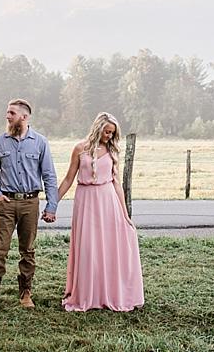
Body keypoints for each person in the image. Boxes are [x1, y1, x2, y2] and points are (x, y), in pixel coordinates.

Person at [57, 112, 144, 311]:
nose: (109, 136)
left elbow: (117, 184)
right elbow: (69, 179)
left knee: (108, 247)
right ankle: (88, 293)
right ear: (98, 128)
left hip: (108, 201)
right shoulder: (80, 149)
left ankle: (111, 292)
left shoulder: (112, 151)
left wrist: (125, 215)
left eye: (112, 133)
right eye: (106, 132)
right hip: (86, 200)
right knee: (88, 248)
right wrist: (53, 202)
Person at [0, 98, 59, 311]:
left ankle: (26, 293)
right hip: (6, 203)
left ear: (24, 117)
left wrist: (51, 206)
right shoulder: (0, 142)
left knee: (28, 250)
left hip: (30, 203)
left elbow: (49, 176)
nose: (7, 116)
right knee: (0, 250)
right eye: (7, 112)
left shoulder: (40, 142)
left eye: (11, 113)